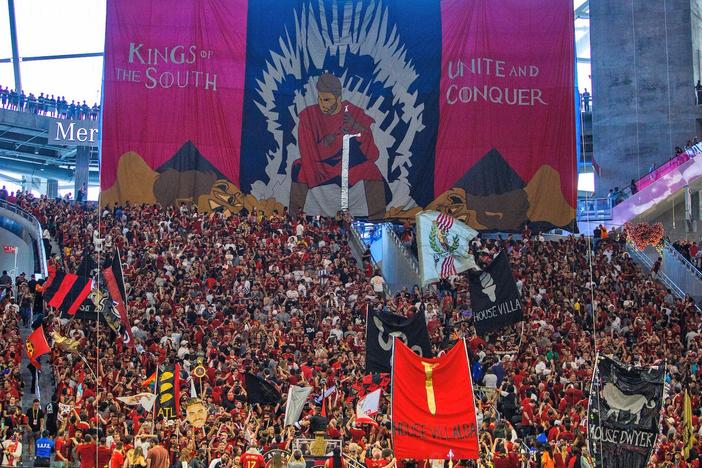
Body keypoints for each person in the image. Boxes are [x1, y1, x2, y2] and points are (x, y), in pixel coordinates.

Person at [290, 73, 386, 218]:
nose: (322, 104)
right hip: (319, 166)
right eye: (320, 99)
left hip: (346, 166)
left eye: (327, 100)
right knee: (301, 170)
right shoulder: (308, 116)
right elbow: (306, 151)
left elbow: (373, 155)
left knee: (372, 170)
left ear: (339, 98)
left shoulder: (353, 113)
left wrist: (362, 131)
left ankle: (378, 219)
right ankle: (293, 220)